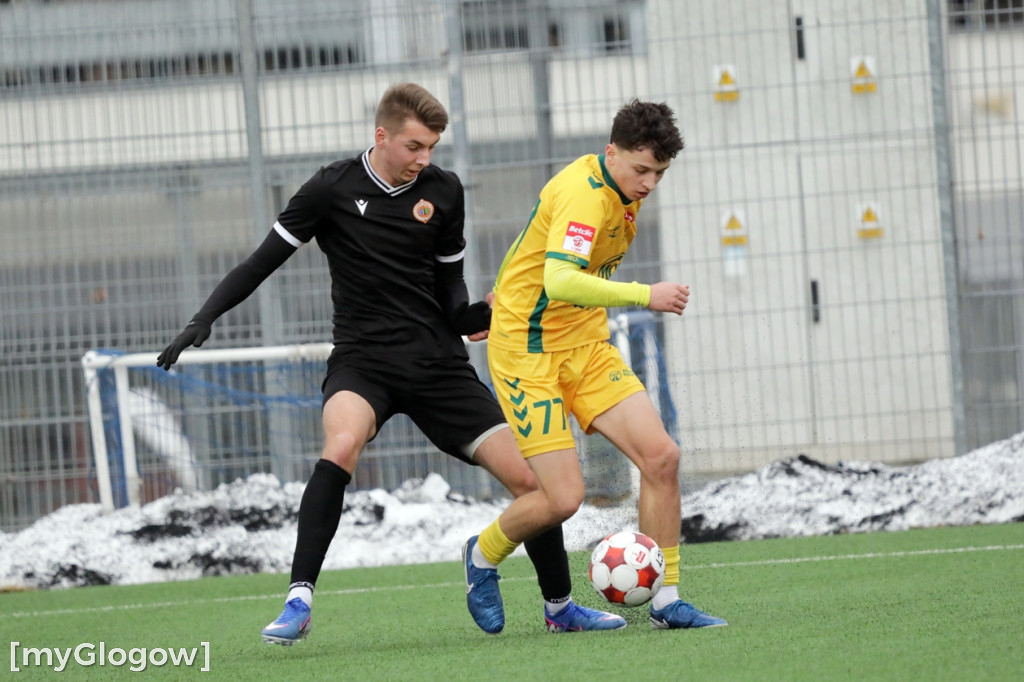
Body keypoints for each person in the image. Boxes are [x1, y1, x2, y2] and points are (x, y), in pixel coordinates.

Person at [156, 82, 624, 643]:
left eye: (431, 148)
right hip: (364, 362)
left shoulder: (444, 191)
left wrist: (469, 313)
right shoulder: (330, 188)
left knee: (534, 482)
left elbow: (449, 281)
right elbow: (261, 261)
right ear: (382, 136)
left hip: (437, 365)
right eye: (414, 147)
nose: (424, 160)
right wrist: (203, 318)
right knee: (341, 444)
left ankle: (559, 606)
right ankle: (298, 601)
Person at [486, 99, 727, 629]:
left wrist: (501, 292)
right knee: (564, 497)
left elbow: (531, 243)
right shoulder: (584, 195)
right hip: (529, 352)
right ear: (610, 152)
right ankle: (482, 556)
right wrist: (647, 294)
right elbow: (561, 279)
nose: (650, 184)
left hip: (586, 345)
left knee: (661, 457)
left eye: (659, 173)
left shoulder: (624, 192)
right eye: (641, 170)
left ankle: (666, 601)